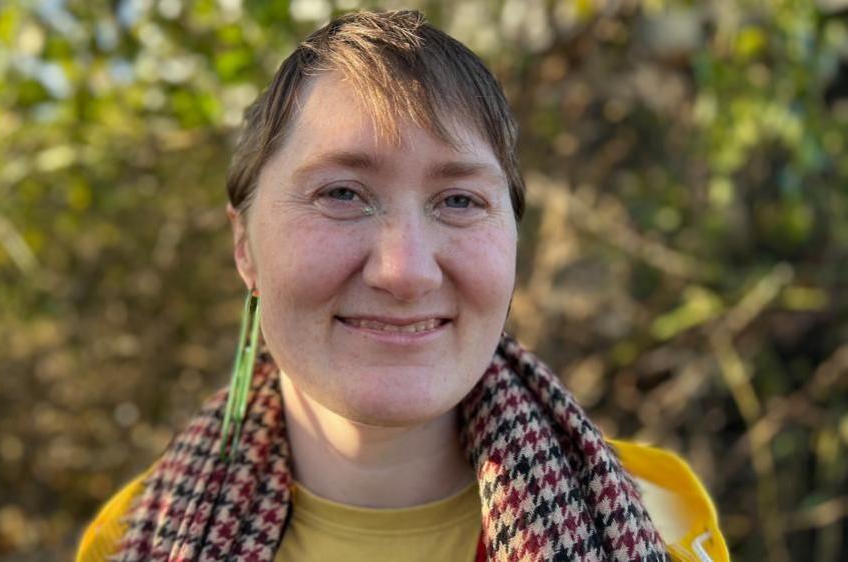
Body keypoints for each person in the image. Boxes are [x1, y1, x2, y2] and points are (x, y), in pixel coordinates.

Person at [76, 10, 729, 562]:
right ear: (244, 246)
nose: (405, 270)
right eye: (341, 193)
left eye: (459, 201)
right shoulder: (131, 536)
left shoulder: (662, 517)